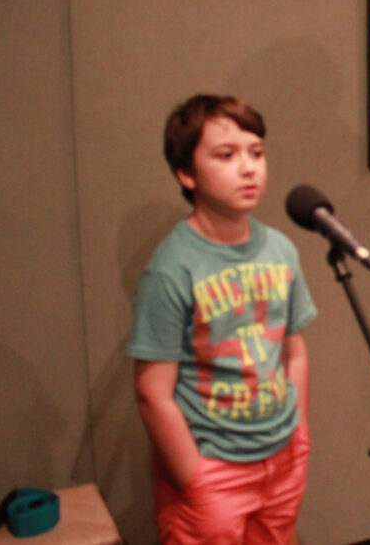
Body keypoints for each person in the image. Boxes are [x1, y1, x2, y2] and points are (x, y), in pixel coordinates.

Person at [128, 94, 318, 544]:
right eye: (226, 155)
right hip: (214, 470)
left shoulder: (281, 250)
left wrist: (300, 433)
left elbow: (294, 351)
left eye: (256, 152)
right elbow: (152, 394)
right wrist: (194, 479)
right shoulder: (172, 268)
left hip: (282, 457)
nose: (249, 167)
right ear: (186, 173)